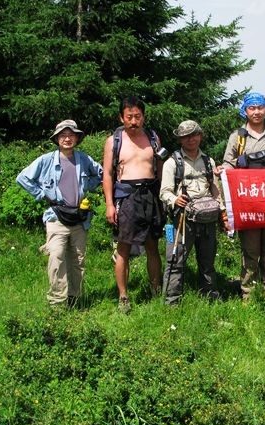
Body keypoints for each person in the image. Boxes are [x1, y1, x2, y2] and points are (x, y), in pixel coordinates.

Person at [16, 119, 103, 309]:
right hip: (56, 217)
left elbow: (102, 174)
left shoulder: (84, 159)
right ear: (57, 139)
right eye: (63, 135)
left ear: (77, 138)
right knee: (56, 257)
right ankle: (57, 303)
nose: (67, 138)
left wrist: (88, 185)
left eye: (71, 135)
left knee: (78, 261)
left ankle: (75, 299)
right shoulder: (46, 160)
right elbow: (22, 178)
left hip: (79, 218)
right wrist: (41, 194)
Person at [221, 91, 265, 299]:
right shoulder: (237, 137)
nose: (256, 112)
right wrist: (224, 171)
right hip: (248, 204)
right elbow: (228, 164)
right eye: (252, 108)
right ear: (245, 111)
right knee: (250, 250)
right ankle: (249, 293)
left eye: (260, 108)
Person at [103, 97, 166, 313]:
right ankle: (123, 296)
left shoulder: (153, 138)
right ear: (121, 118)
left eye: (137, 116)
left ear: (143, 117)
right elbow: (107, 174)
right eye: (129, 117)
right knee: (123, 248)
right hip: (127, 197)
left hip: (150, 195)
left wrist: (164, 196)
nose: (133, 121)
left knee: (152, 246)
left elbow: (160, 168)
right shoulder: (114, 141)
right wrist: (109, 204)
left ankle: (156, 290)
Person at [160, 120, 229, 305]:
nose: (191, 139)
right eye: (186, 136)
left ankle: (211, 297)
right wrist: (175, 199)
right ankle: (171, 301)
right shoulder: (172, 163)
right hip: (182, 219)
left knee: (207, 261)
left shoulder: (208, 161)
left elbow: (215, 190)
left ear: (200, 136)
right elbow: (164, 192)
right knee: (175, 260)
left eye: (194, 135)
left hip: (208, 218)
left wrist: (222, 214)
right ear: (180, 139)